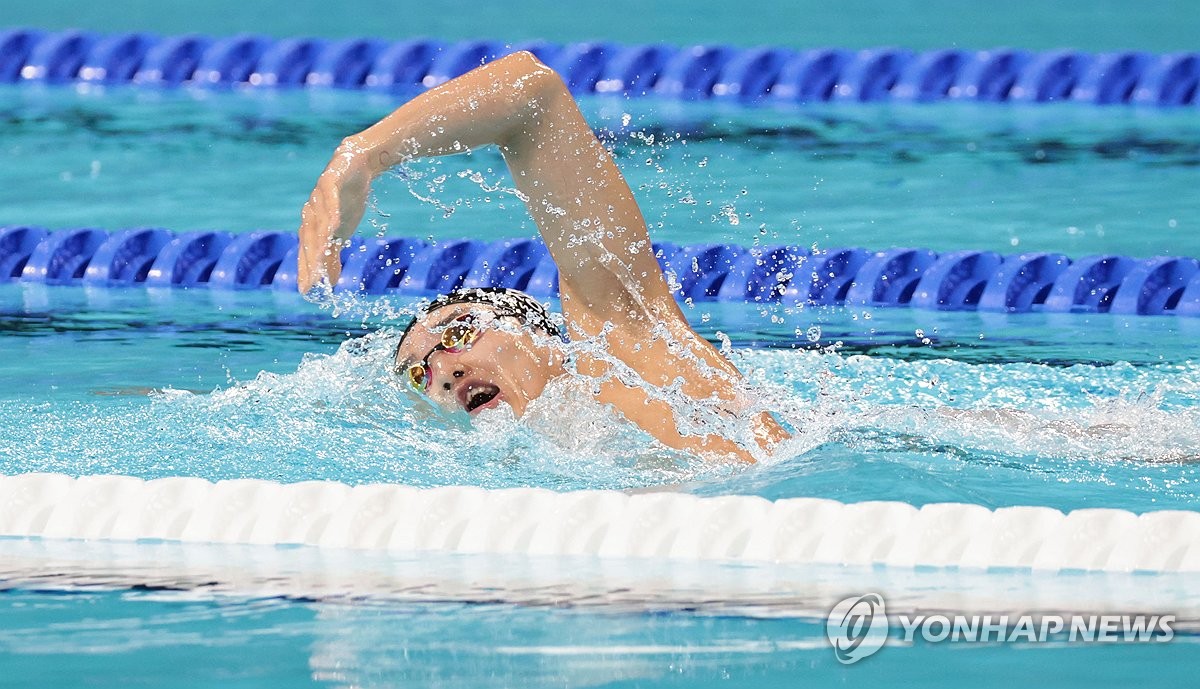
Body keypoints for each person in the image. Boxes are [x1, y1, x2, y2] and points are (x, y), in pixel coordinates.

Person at [297, 50, 788, 463]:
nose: (443, 373)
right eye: (418, 374)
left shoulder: (628, 353)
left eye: (459, 333)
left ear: (539, 334)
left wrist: (363, 156)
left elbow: (531, 96)